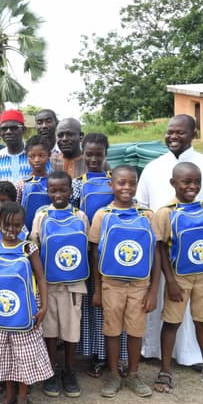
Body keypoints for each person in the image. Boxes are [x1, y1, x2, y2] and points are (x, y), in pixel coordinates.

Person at [136, 114, 203, 366]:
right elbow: (143, 206)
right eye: (170, 132)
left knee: (196, 314)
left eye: (180, 132)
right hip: (162, 250)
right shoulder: (153, 167)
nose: (173, 136)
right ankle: (154, 352)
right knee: (165, 307)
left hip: (197, 255)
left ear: (193, 134)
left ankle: (193, 355)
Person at [152, 162, 203, 393]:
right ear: (173, 183)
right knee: (171, 322)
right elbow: (160, 249)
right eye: (186, 181)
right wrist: (170, 281)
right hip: (179, 278)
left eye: (197, 181)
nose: (193, 186)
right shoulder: (165, 213)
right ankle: (165, 369)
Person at [90, 165, 161, 398]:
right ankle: (114, 374)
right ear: (112, 184)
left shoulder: (147, 215)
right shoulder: (102, 215)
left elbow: (156, 252)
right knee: (111, 330)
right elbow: (95, 252)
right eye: (121, 183)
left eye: (132, 183)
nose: (126, 188)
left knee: (135, 330)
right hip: (111, 284)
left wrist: (153, 291)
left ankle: (134, 373)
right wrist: (98, 289)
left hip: (140, 284)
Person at [0, 201, 53, 404]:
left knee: (24, 354)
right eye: (6, 225)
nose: (11, 230)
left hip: (26, 310)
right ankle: (9, 394)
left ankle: (23, 395)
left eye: (17, 226)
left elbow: (41, 277)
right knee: (3, 353)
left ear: (23, 226)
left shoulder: (29, 248)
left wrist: (44, 306)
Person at [72, 133, 128, 376]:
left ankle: (114, 357)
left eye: (99, 154)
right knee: (93, 307)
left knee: (113, 308)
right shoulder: (77, 183)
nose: (93, 159)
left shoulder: (114, 182)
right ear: (83, 153)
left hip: (113, 256)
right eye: (89, 154)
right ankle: (96, 354)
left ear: (107, 153)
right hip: (87, 255)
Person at [30, 171, 89, 399]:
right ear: (47, 192)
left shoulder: (80, 216)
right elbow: (34, 245)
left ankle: (69, 370)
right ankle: (51, 370)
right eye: (53, 190)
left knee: (72, 329)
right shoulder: (42, 215)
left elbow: (85, 249)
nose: (58, 194)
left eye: (63, 190)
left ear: (70, 191)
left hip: (74, 283)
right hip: (50, 283)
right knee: (51, 330)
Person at [0, 109, 47, 183]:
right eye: (4, 129)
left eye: (13, 128)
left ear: (24, 130)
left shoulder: (38, 156)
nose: (8, 132)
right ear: (0, 132)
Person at [15, 136, 52, 233]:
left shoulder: (54, 182)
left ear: (49, 155)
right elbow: (16, 208)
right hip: (26, 231)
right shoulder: (22, 183)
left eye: (41, 155)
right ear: (27, 156)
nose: (36, 160)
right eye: (32, 156)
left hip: (50, 229)